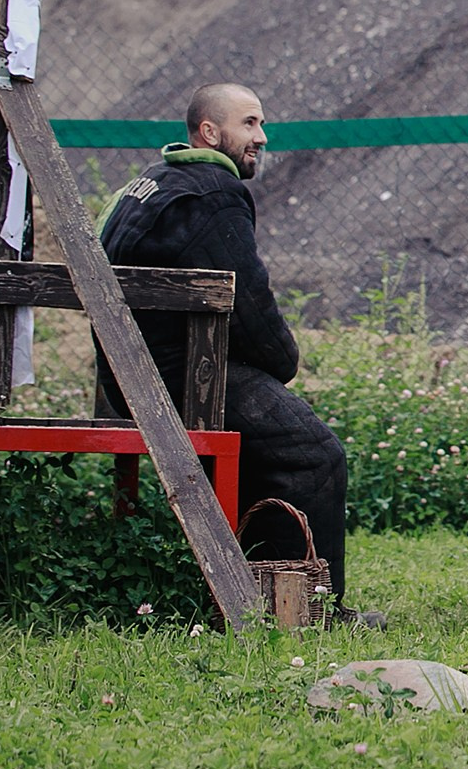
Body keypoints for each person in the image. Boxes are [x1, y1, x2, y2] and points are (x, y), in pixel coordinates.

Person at [99, 81, 369, 622]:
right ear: (209, 131)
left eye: (261, 124)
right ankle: (307, 611)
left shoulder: (149, 184)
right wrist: (283, 363)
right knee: (314, 455)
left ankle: (252, 594)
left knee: (268, 443)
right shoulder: (214, 194)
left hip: (131, 375)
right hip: (182, 377)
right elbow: (250, 304)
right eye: (249, 124)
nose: (262, 137)